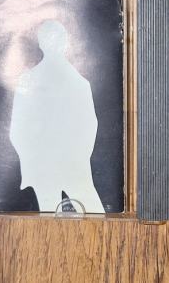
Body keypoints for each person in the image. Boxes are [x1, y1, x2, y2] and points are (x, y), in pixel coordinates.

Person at [9, 20, 104, 213]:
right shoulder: (80, 84)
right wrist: (78, 159)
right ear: (65, 43)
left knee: (50, 216)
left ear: (41, 44)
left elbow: (17, 130)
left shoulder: (28, 80)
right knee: (93, 214)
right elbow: (89, 126)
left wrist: (32, 160)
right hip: (72, 165)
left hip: (44, 167)